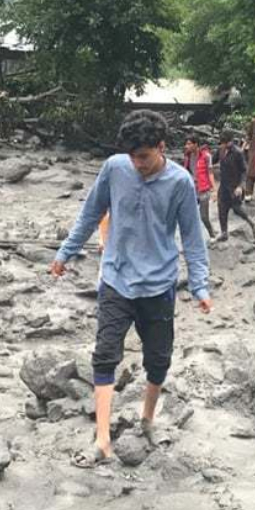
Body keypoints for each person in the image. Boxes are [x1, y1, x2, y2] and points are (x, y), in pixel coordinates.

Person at [49, 109, 212, 466]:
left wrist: (200, 285)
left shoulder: (181, 182)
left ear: (161, 147)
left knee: (158, 360)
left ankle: (147, 420)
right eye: (133, 157)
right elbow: (90, 213)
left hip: (159, 286)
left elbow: (192, 237)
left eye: (144, 157)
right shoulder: (115, 168)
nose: (137, 164)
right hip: (116, 279)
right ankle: (102, 440)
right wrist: (65, 252)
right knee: (105, 355)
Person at [183, 135, 218, 239]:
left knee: (204, 216)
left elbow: (210, 173)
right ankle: (193, 236)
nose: (186, 146)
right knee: (188, 213)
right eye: (186, 144)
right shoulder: (187, 156)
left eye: (189, 144)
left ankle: (212, 235)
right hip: (193, 188)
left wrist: (214, 190)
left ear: (196, 144)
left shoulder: (206, 156)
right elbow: (187, 171)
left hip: (204, 189)